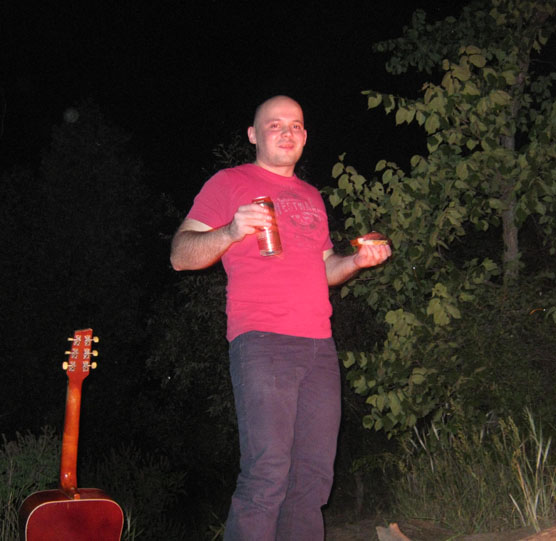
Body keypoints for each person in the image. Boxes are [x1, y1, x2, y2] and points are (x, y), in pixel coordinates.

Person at [170, 95, 391, 541]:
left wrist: (356, 261)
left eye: (295, 125)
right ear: (254, 135)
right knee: (267, 473)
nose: (287, 132)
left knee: (312, 479)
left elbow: (325, 269)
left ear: (305, 136)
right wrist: (231, 230)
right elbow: (180, 255)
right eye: (275, 125)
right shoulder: (229, 182)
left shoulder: (311, 196)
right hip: (263, 340)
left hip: (319, 347)